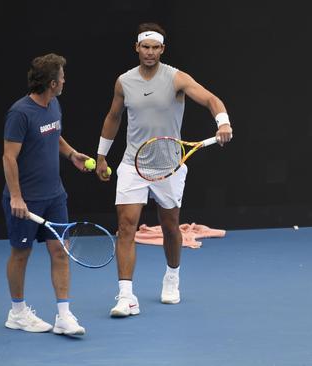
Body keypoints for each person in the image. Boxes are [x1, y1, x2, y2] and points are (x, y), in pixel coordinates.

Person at [96, 22, 233, 317]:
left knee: (171, 227)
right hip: (133, 163)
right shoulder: (124, 82)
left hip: (169, 166)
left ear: (162, 49)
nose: (150, 52)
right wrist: (102, 155)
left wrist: (222, 120)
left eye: (155, 47)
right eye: (145, 47)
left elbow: (211, 99)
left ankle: (172, 276)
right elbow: (113, 117)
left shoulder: (176, 78)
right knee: (126, 226)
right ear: (137, 48)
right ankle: (126, 296)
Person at [2, 53, 92, 335]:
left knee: (60, 252)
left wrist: (72, 154)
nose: (65, 80)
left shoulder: (54, 104)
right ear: (52, 82)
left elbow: (54, 135)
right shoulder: (20, 113)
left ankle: (63, 316)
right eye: (62, 77)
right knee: (21, 253)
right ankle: (17, 313)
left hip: (55, 196)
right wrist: (17, 197)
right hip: (26, 201)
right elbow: (8, 157)